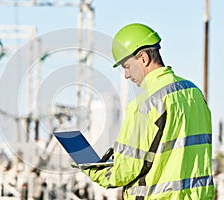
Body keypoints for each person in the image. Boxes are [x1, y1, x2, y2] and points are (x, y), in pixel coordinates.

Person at [82, 23, 215, 199]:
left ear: (143, 58)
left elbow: (125, 170)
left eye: (127, 66)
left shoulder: (145, 104)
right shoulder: (194, 93)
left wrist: (91, 168)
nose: (126, 75)